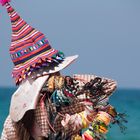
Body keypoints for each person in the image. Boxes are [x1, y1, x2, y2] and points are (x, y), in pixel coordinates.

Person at [0, 1, 123, 140]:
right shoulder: (68, 102)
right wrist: (65, 82)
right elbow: (109, 85)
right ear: (55, 71)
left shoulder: (14, 121)